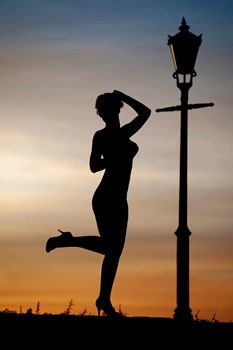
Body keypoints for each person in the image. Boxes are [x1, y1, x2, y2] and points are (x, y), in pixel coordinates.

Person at [45, 90, 151, 316]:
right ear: (113, 110)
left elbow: (145, 113)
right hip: (107, 196)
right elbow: (94, 166)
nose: (110, 114)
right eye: (113, 108)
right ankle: (69, 245)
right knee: (112, 248)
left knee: (113, 250)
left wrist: (109, 159)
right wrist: (123, 95)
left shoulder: (115, 134)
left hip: (116, 196)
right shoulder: (113, 136)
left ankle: (104, 298)